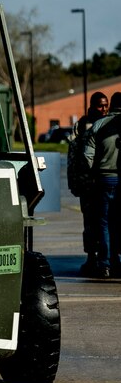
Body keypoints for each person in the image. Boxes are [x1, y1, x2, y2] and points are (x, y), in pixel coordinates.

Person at [67, 91, 109, 275]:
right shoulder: (82, 126)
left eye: (106, 105)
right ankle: (91, 257)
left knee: (105, 222)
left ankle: (105, 258)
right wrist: (74, 183)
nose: (104, 109)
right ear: (91, 106)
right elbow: (73, 156)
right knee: (90, 223)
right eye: (100, 105)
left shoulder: (110, 124)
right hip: (87, 185)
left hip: (104, 181)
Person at [83, 92, 121, 278]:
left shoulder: (99, 125)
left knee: (104, 223)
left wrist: (94, 172)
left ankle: (105, 264)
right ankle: (117, 260)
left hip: (104, 179)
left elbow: (87, 155)